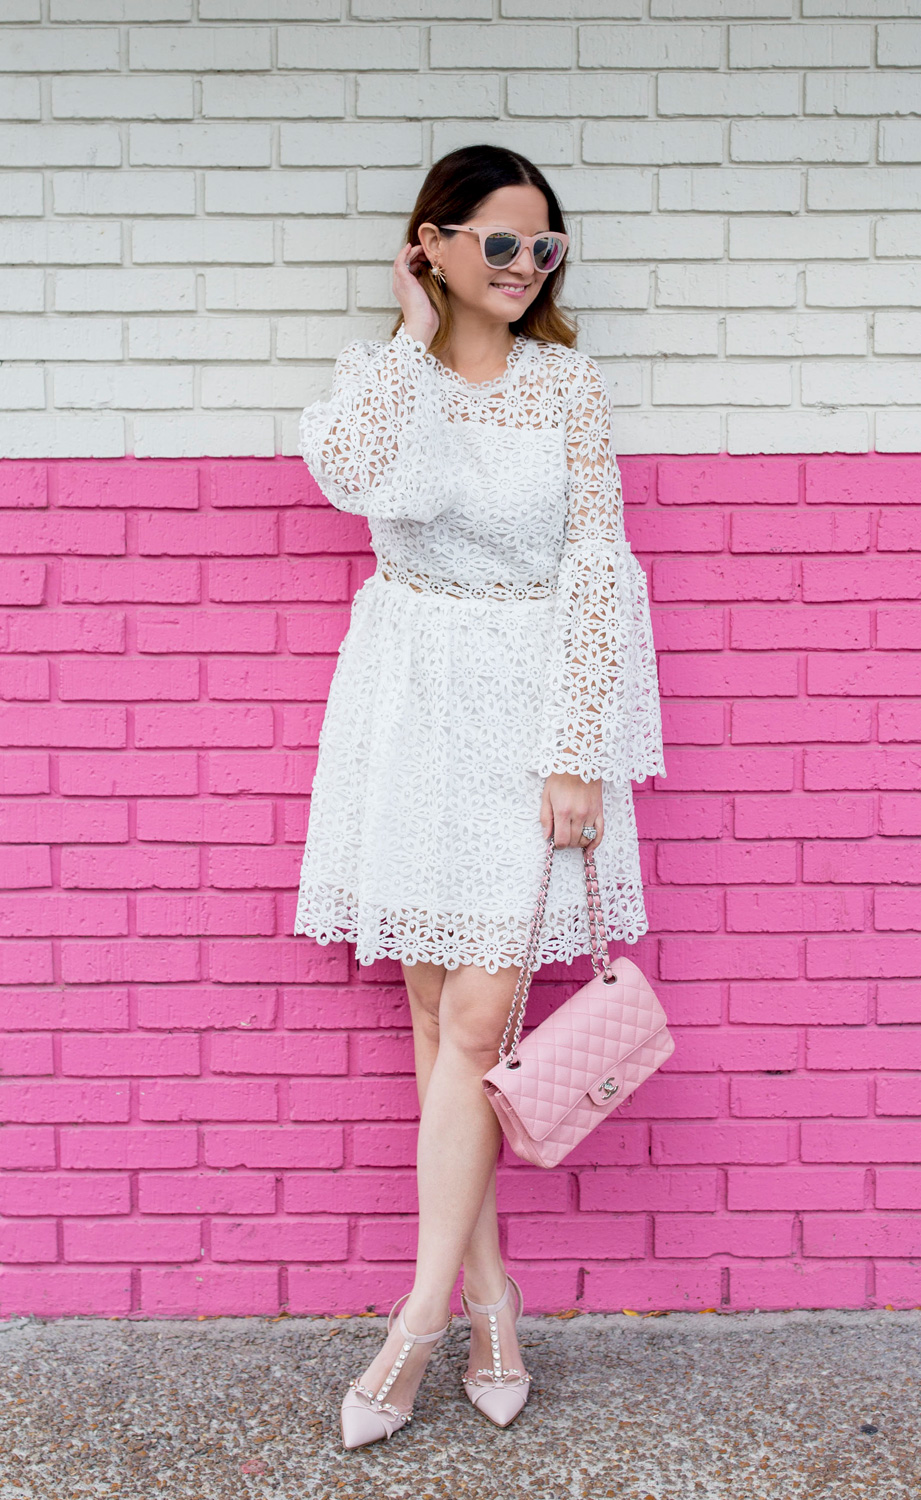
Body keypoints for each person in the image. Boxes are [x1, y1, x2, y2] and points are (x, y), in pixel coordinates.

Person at [293, 143, 664, 1450]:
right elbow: (349, 474)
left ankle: (414, 1324)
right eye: (497, 243)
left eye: (543, 248)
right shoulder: (378, 382)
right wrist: (407, 335)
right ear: (432, 243)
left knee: (471, 1030)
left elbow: (598, 568)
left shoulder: (568, 387)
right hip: (408, 706)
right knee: (440, 1029)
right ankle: (492, 1295)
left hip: (521, 714)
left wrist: (577, 751)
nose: (523, 268)